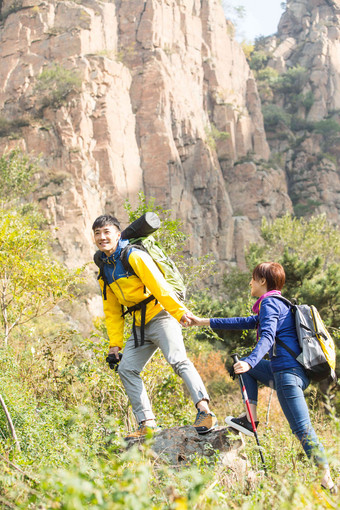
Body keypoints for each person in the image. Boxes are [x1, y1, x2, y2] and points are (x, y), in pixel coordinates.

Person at [189, 262, 336, 492]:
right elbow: (243, 322)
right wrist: (201, 321)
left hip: (287, 375)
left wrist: (250, 361)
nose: (250, 282)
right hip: (289, 373)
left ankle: (327, 478)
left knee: (302, 428)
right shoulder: (279, 304)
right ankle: (251, 419)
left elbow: (267, 337)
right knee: (243, 366)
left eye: (253, 278)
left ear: (263, 281)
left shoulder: (269, 302)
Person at [92, 214, 217, 439]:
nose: (102, 237)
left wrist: (179, 313)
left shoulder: (134, 256)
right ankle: (147, 423)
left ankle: (204, 411)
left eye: (107, 232)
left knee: (178, 361)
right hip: (139, 326)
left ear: (118, 235)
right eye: (98, 233)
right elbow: (112, 312)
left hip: (162, 316)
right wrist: (114, 345)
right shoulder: (104, 269)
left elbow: (159, 286)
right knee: (127, 369)